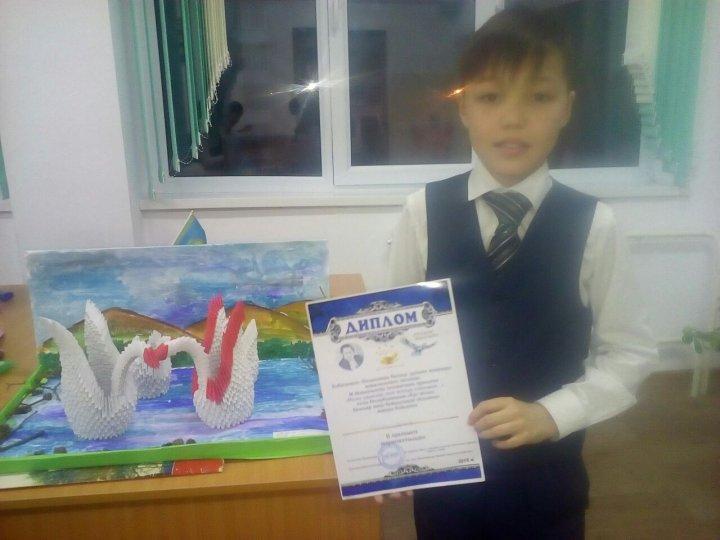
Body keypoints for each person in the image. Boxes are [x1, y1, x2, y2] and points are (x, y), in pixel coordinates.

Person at [381, 6, 658, 539]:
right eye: (490, 97)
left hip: (547, 487)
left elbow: (631, 352)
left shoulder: (595, 225)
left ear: (566, 107)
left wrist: (554, 413)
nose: (513, 118)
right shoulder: (422, 213)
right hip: (448, 485)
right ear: (464, 108)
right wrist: (384, 440)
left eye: (539, 96)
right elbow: (391, 342)